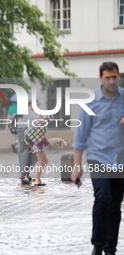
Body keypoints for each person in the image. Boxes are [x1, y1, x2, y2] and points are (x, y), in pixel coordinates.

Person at [71, 62, 124, 255]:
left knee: (115, 205)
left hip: (120, 159)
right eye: (108, 77)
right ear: (100, 78)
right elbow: (81, 135)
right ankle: (98, 245)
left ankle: (111, 248)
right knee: (103, 198)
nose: (112, 81)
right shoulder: (90, 102)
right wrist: (77, 166)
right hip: (98, 158)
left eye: (115, 77)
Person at [24, 115, 64, 186]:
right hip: (37, 144)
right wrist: (47, 143)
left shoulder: (37, 121)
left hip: (35, 143)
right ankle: (37, 180)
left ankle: (36, 178)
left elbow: (39, 134)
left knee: (45, 160)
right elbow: (40, 135)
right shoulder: (43, 123)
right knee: (41, 161)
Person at [13, 99, 37, 184]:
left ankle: (26, 174)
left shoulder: (22, 112)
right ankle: (23, 174)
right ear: (30, 105)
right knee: (29, 153)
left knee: (26, 152)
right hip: (27, 133)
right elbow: (31, 125)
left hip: (21, 132)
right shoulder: (30, 113)